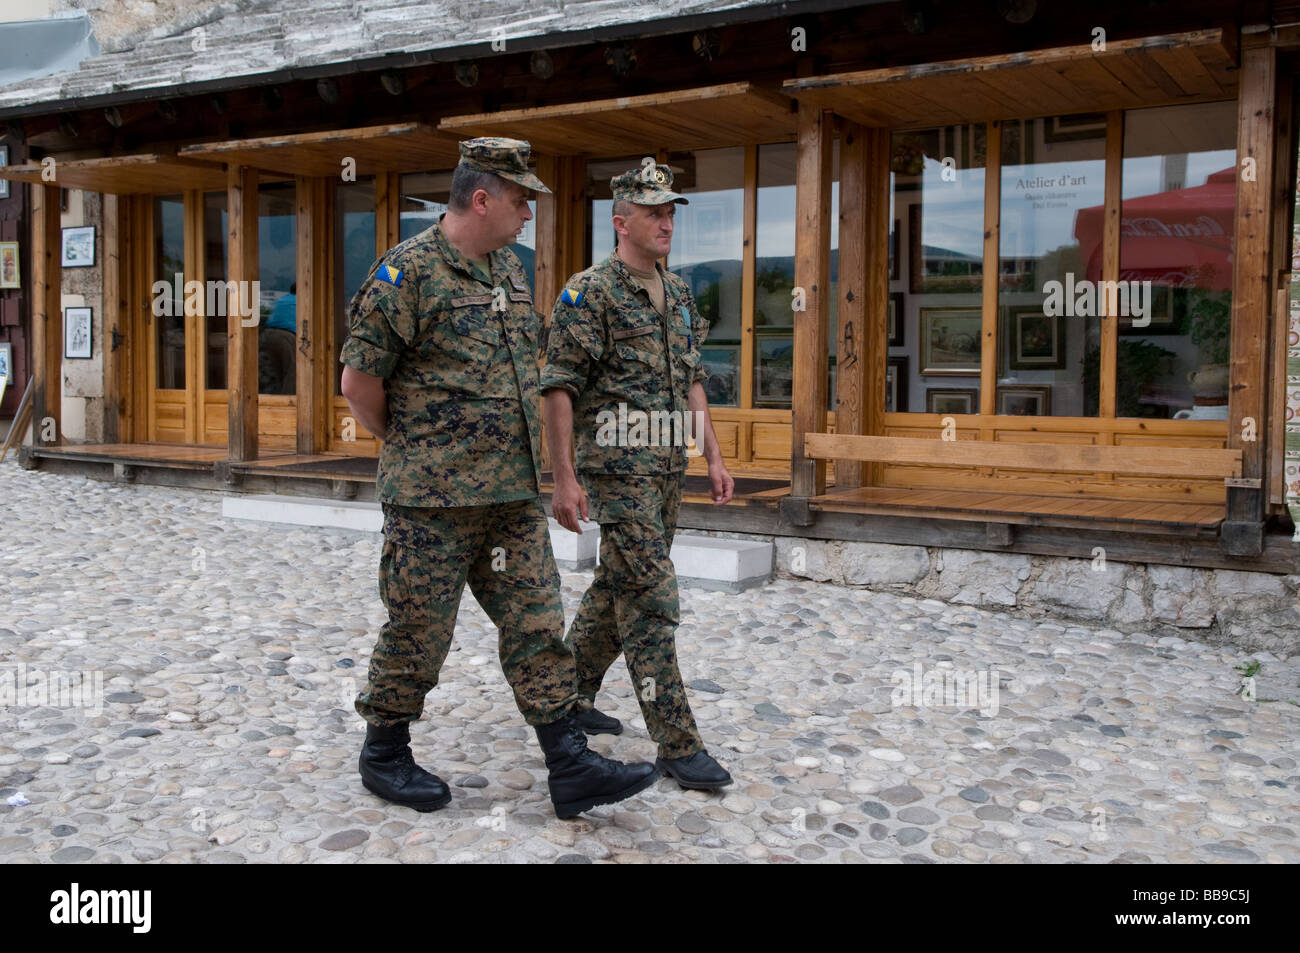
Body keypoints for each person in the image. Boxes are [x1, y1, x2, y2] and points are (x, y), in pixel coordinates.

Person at [338, 137, 657, 818]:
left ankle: (569, 763)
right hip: (432, 502)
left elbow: (537, 378)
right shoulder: (407, 275)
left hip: (510, 495)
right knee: (419, 630)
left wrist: (562, 475)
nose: (529, 214)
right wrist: (413, 446)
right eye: (520, 200)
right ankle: (384, 751)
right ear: (480, 199)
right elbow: (359, 384)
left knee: (537, 622)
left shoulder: (509, 274)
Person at [541, 162, 737, 791]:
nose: (667, 223)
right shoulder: (587, 293)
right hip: (615, 474)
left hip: (665, 470)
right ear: (621, 222)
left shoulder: (677, 293)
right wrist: (564, 478)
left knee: (615, 589)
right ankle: (677, 742)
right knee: (652, 599)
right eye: (655, 213)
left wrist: (711, 455)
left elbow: (693, 378)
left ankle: (565, 697)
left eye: (672, 211)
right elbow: (558, 388)